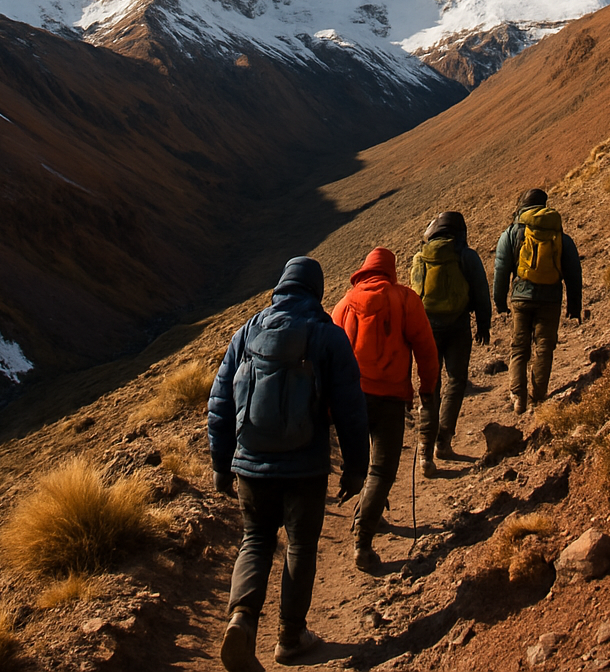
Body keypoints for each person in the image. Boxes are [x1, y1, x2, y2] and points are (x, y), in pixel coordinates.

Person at [207, 256, 368, 672]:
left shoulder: (247, 331)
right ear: (315, 290)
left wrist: (221, 463)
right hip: (305, 465)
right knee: (300, 546)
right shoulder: (327, 335)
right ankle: (291, 637)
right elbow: (351, 408)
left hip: (250, 462)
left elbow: (220, 401)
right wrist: (356, 467)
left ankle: (241, 619)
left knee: (255, 539)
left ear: (281, 286)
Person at [331, 247, 440, 572]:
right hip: (390, 399)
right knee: (381, 470)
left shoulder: (345, 303)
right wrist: (427, 389)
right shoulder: (405, 299)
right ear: (390, 271)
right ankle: (362, 543)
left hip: (352, 399)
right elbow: (426, 347)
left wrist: (329, 404)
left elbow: (331, 354)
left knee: (364, 464)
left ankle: (369, 514)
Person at [410, 211, 492, 476]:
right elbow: (480, 291)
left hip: (427, 329)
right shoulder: (466, 255)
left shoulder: (420, 257)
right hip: (458, 325)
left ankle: (425, 451)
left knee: (430, 385)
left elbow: (415, 295)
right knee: (456, 381)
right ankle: (443, 441)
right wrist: (483, 324)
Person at [492, 188, 583, 414]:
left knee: (519, 347)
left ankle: (518, 397)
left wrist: (500, 302)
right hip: (550, 299)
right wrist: (574, 306)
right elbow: (573, 272)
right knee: (544, 346)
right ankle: (538, 395)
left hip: (521, 297)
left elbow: (501, 270)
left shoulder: (511, 233)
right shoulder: (558, 235)